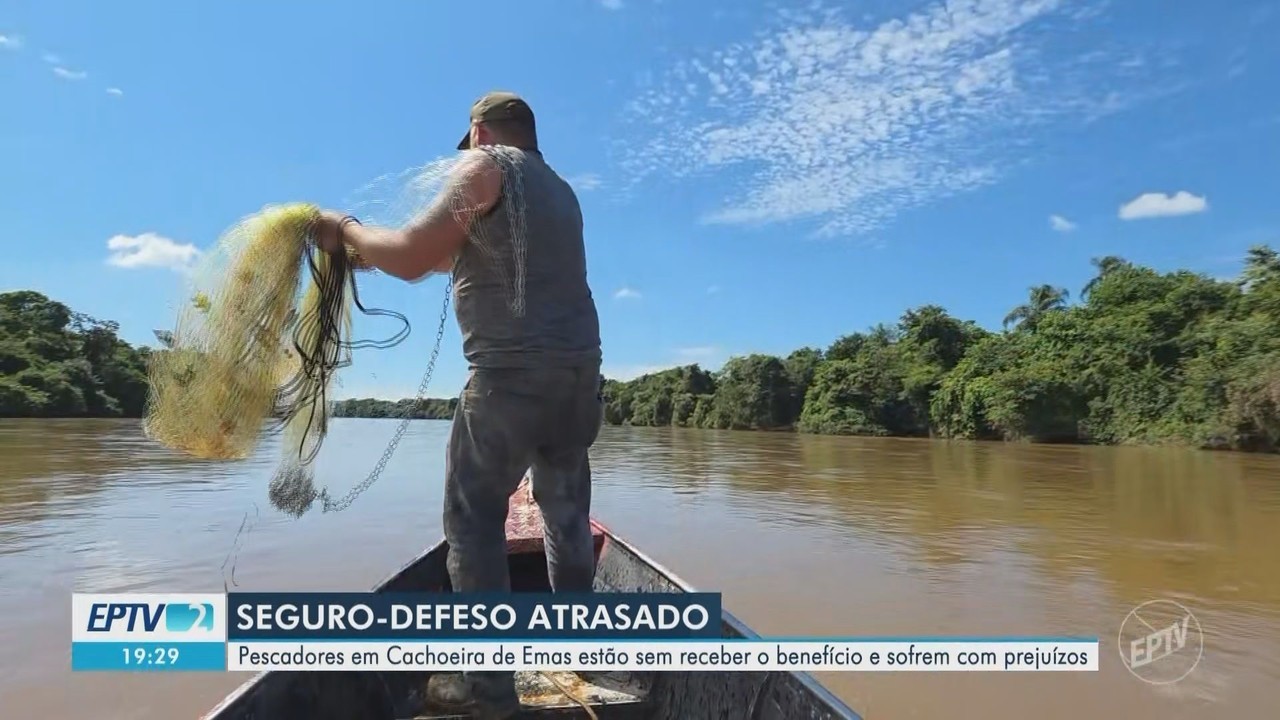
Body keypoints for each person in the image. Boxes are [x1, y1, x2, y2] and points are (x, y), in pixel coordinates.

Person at [311, 91, 604, 719]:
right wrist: (367, 255)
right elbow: (438, 259)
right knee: (567, 517)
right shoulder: (561, 192)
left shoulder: (485, 166)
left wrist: (344, 231)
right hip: (579, 382)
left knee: (472, 525)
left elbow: (414, 256)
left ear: (479, 131)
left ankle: (488, 692)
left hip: (509, 382)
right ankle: (579, 646)